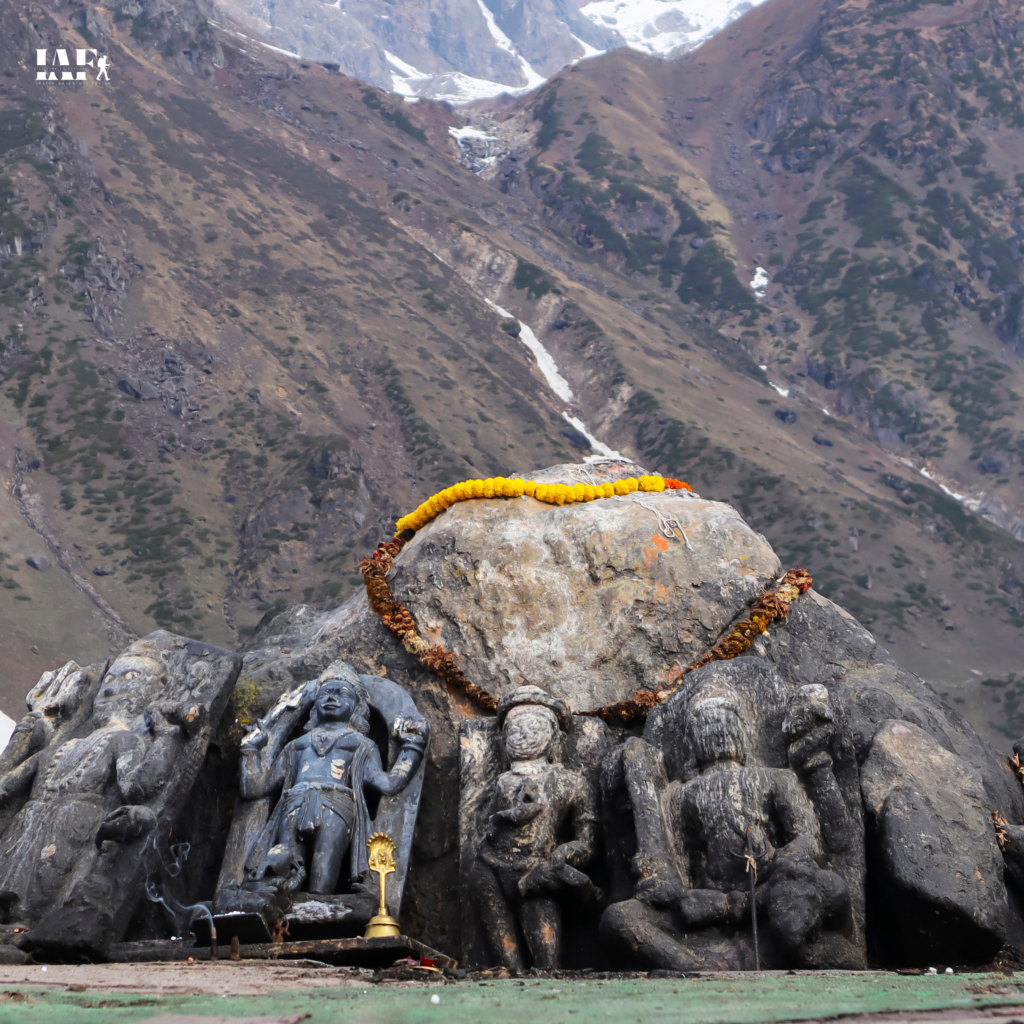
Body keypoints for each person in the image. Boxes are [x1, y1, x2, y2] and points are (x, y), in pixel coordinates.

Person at [239, 664, 427, 895]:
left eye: (342, 693)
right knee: (285, 862)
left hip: (336, 806)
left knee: (324, 865)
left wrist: (412, 746)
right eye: (325, 694)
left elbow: (388, 785)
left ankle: (319, 908)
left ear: (358, 706)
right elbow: (254, 788)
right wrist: (249, 750)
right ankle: (277, 905)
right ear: (314, 705)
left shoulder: (361, 744)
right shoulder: (296, 745)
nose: (331, 698)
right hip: (294, 804)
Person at [469, 685, 599, 970]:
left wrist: (561, 856)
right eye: (514, 727)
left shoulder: (571, 782)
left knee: (547, 962)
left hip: (537, 873)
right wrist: (506, 818)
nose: (522, 733)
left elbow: (588, 842)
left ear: (555, 738)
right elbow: (478, 830)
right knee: (504, 964)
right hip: (489, 869)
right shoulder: (500, 782)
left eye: (533, 726)